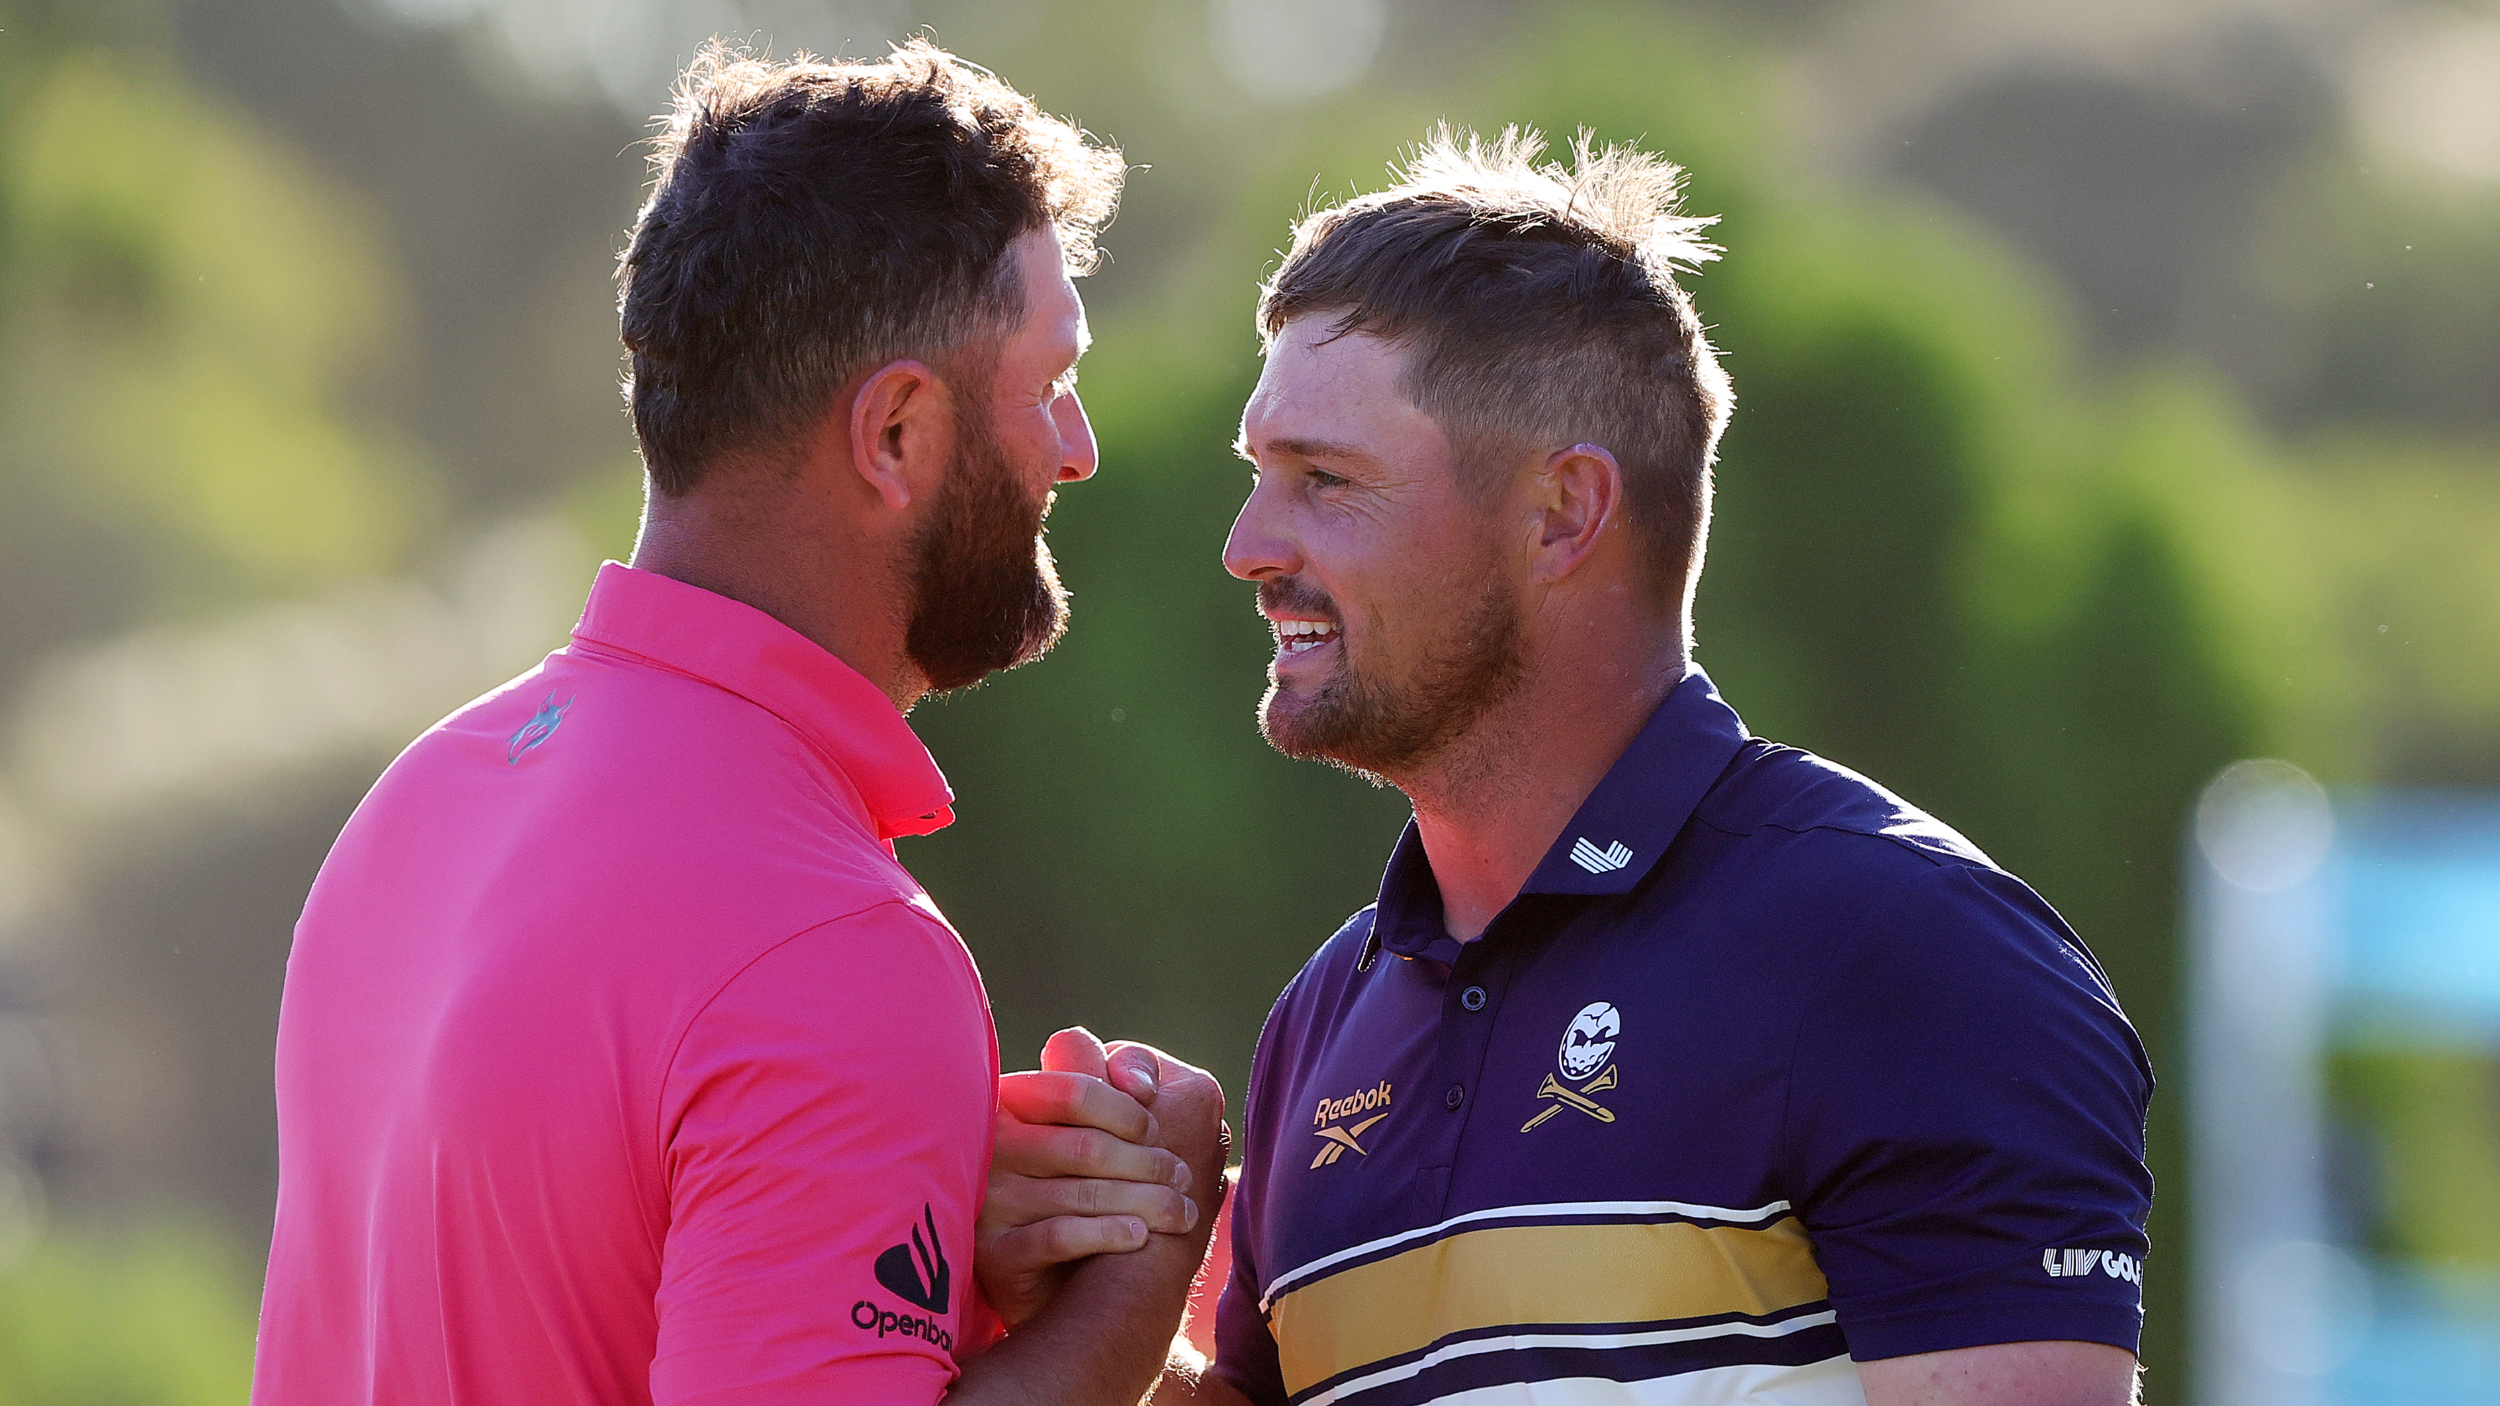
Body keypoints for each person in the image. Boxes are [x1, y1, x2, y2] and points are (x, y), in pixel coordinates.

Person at [1007, 128, 2155, 1406]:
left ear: (1563, 512)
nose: (1246, 545)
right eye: (1260, 474)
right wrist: (1109, 1286)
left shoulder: (1905, 945)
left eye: (1324, 480)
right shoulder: (1323, 1016)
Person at [252, 42, 1224, 1405]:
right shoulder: (830, 945)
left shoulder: (422, 797)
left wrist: (917, 1211)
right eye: (1049, 377)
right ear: (894, 434)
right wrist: (1136, 1282)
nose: (1078, 446)